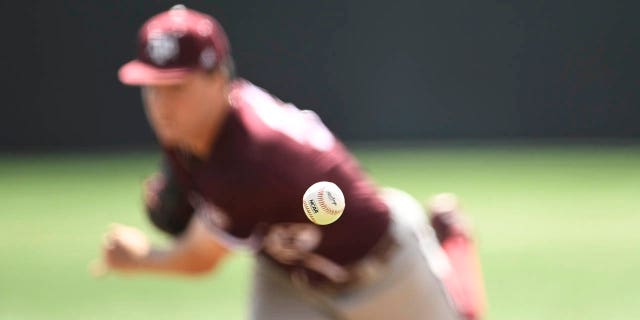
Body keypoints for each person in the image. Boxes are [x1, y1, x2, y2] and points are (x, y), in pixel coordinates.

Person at [98, 5, 486, 320]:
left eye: (177, 87)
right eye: (153, 87)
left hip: (381, 268)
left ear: (219, 79)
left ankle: (452, 241)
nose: (163, 104)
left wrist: (138, 258)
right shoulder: (190, 130)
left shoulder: (252, 154)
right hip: (288, 273)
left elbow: (200, 259)